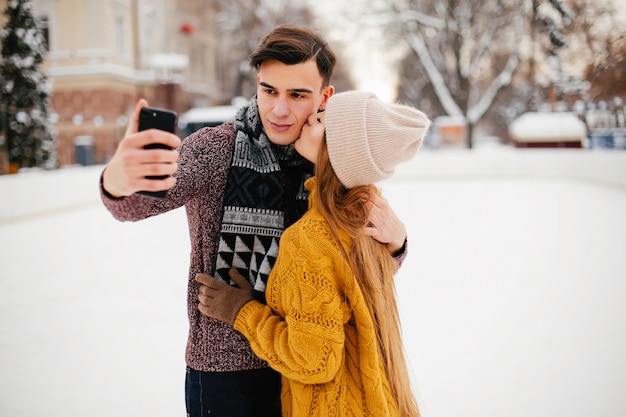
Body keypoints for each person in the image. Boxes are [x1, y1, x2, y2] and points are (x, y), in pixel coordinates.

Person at [100, 25, 409, 417]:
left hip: (312, 374)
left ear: (324, 96)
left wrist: (396, 243)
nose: (279, 110)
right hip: (228, 376)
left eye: (297, 95)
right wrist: (118, 181)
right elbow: (135, 205)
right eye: (269, 90)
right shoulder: (217, 149)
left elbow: (354, 273)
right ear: (257, 84)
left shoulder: (334, 162)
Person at [195, 90, 430, 417]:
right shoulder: (367, 216)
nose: (310, 117)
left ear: (339, 151)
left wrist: (242, 311)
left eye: (322, 120)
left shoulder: (310, 238)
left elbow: (313, 360)